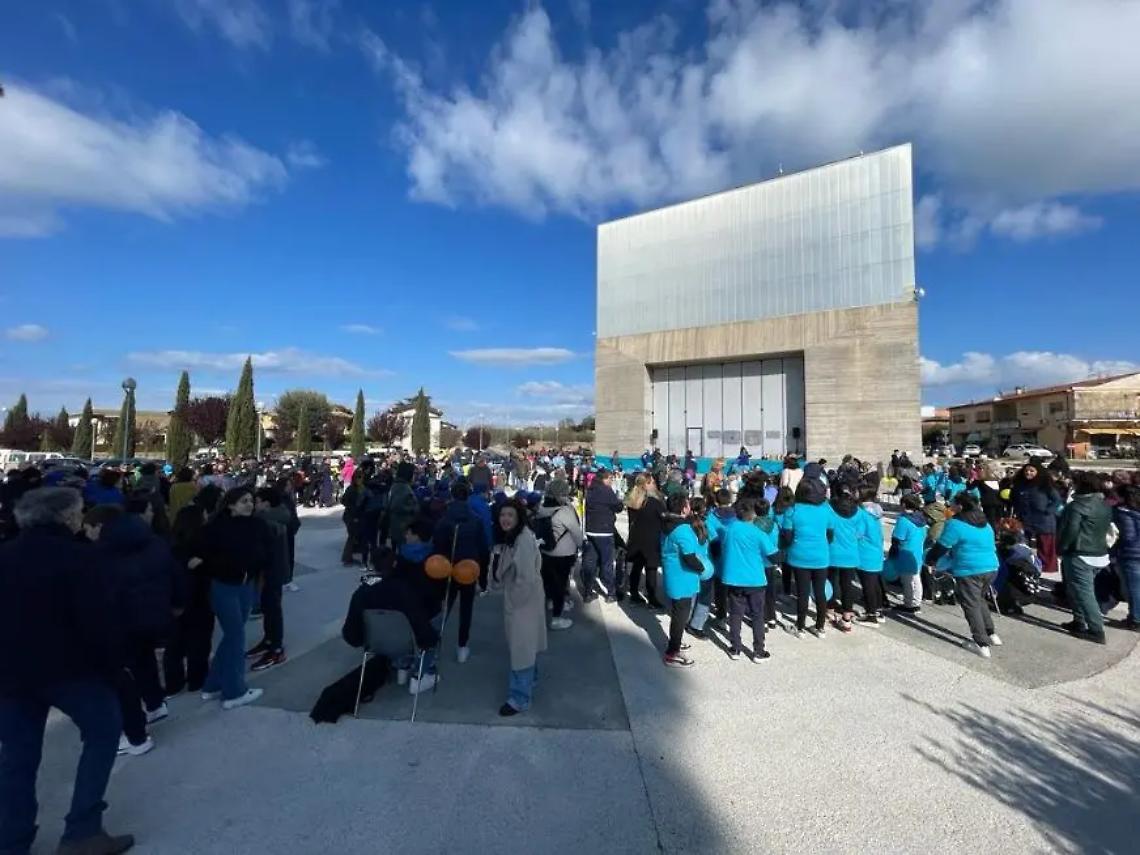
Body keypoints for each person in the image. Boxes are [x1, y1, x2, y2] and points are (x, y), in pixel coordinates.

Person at [0, 487, 134, 855]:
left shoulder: (5, 555)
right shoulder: (82, 558)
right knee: (104, 731)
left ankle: (11, 840)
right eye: (78, 512)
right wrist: (113, 669)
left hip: (11, 674)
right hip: (72, 671)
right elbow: (99, 621)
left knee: (17, 758)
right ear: (66, 517)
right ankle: (82, 829)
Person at [195, 487, 271, 709]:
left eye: (250, 500)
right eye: (243, 501)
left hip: (246, 586)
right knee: (236, 636)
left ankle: (213, 684)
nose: (249, 504)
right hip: (223, 586)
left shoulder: (257, 525)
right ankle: (234, 691)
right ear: (230, 504)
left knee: (232, 636)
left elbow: (265, 551)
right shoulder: (215, 528)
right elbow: (202, 555)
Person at [925, 493, 1001, 659]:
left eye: (952, 503)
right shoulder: (984, 522)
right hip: (991, 566)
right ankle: (991, 633)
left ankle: (981, 643)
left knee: (970, 604)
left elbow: (942, 545)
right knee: (980, 599)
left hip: (970, 569)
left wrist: (930, 560)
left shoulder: (956, 524)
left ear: (960, 506)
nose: (949, 506)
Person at [490, 499, 547, 716]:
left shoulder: (521, 539)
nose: (505, 519)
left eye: (510, 515)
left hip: (523, 602)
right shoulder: (516, 536)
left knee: (520, 649)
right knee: (525, 646)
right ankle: (530, 680)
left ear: (518, 517)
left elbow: (526, 577)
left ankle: (519, 698)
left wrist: (515, 601)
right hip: (523, 600)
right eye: (502, 515)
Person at [433, 481, 487, 663]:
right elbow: (482, 549)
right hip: (468, 566)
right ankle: (462, 646)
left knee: (444, 606)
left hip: (445, 567)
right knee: (466, 608)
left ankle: (433, 641)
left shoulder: (443, 519)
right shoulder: (475, 520)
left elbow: (437, 545)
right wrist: (482, 576)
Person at [163, 501, 213, 696]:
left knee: (175, 643)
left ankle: (174, 682)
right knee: (198, 641)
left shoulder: (168, 544)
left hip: (175, 600)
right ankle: (196, 679)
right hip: (197, 598)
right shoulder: (201, 545)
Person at [720, 498, 778, 661]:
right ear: (753, 514)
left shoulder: (729, 529)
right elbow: (773, 555)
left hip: (733, 578)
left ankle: (735, 647)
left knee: (735, 614)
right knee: (757, 615)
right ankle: (758, 650)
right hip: (755, 579)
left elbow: (723, 546)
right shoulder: (758, 533)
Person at [1057, 471, 1111, 644]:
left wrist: (1062, 548)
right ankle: (1078, 621)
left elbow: (1071, 530)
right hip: (1099, 552)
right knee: (1077, 590)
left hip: (1080, 553)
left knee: (1084, 593)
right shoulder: (1104, 504)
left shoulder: (1076, 506)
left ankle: (1096, 630)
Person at [781, 477, 834, 638]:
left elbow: (787, 537)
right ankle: (820, 626)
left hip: (799, 556)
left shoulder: (793, 510)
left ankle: (800, 626)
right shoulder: (826, 509)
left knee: (803, 592)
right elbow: (830, 535)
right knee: (820, 591)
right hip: (821, 555)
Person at [247, 487, 293, 671]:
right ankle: (269, 640)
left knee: (273, 608)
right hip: (270, 569)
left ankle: (276, 648)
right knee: (269, 607)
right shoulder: (277, 516)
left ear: (266, 503)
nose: (253, 505)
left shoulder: (268, 521)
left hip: (272, 570)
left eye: (256, 501)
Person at [660, 493, 706, 667]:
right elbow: (689, 557)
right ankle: (672, 652)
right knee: (680, 616)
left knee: (677, 613)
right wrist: (701, 568)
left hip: (673, 574)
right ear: (683, 508)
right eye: (687, 505)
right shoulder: (683, 530)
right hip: (683, 578)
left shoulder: (667, 523)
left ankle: (675, 641)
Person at [533, 478, 582, 630]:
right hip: (563, 554)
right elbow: (576, 533)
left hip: (545, 551)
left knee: (548, 581)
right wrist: (580, 545)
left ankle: (550, 602)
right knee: (560, 585)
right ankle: (556, 618)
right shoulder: (564, 511)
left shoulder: (541, 509)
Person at [581, 469, 625, 602]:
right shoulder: (606, 491)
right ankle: (611, 592)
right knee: (607, 563)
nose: (611, 481)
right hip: (604, 531)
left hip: (590, 530)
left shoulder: (591, 490)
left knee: (590, 561)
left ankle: (588, 592)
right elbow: (618, 507)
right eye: (610, 479)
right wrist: (619, 501)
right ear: (604, 479)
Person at [624, 474, 665, 609]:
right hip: (651, 538)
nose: (654, 485)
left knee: (637, 567)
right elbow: (664, 517)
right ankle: (652, 597)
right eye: (651, 482)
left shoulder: (632, 499)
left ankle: (634, 593)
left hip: (636, 537)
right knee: (651, 569)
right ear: (646, 484)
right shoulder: (653, 502)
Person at [1011, 463, 1061, 574]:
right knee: (1023, 545)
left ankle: (1047, 567)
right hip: (1025, 519)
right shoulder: (1020, 485)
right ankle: (1026, 565)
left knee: (1045, 546)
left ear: (1038, 472)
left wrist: (1048, 510)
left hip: (1044, 519)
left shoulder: (1045, 485)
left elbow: (1057, 500)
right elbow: (1013, 499)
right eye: (1026, 471)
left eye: (1032, 471)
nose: (1028, 473)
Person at [828, 485, 862, 633]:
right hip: (851, 553)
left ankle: (829, 609)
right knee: (846, 585)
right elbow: (860, 534)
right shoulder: (858, 513)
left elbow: (827, 530)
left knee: (830, 582)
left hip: (832, 552)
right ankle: (847, 617)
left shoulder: (830, 510)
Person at [888, 494, 928, 613]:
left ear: (904, 504)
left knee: (907, 580)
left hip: (905, 552)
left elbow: (897, 538)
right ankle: (916, 601)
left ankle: (909, 604)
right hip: (917, 552)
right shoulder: (921, 519)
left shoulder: (904, 520)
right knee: (916, 578)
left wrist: (892, 554)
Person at [855, 486, 886, 624]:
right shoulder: (876, 511)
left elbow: (858, 533)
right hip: (876, 551)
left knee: (867, 585)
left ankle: (871, 614)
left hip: (865, 553)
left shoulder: (862, 514)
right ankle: (878, 610)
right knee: (875, 584)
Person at [1113, 485, 1140, 631]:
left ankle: (1135, 618)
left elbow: (1127, 536)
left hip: (1130, 554)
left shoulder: (1121, 513)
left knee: (1132, 588)